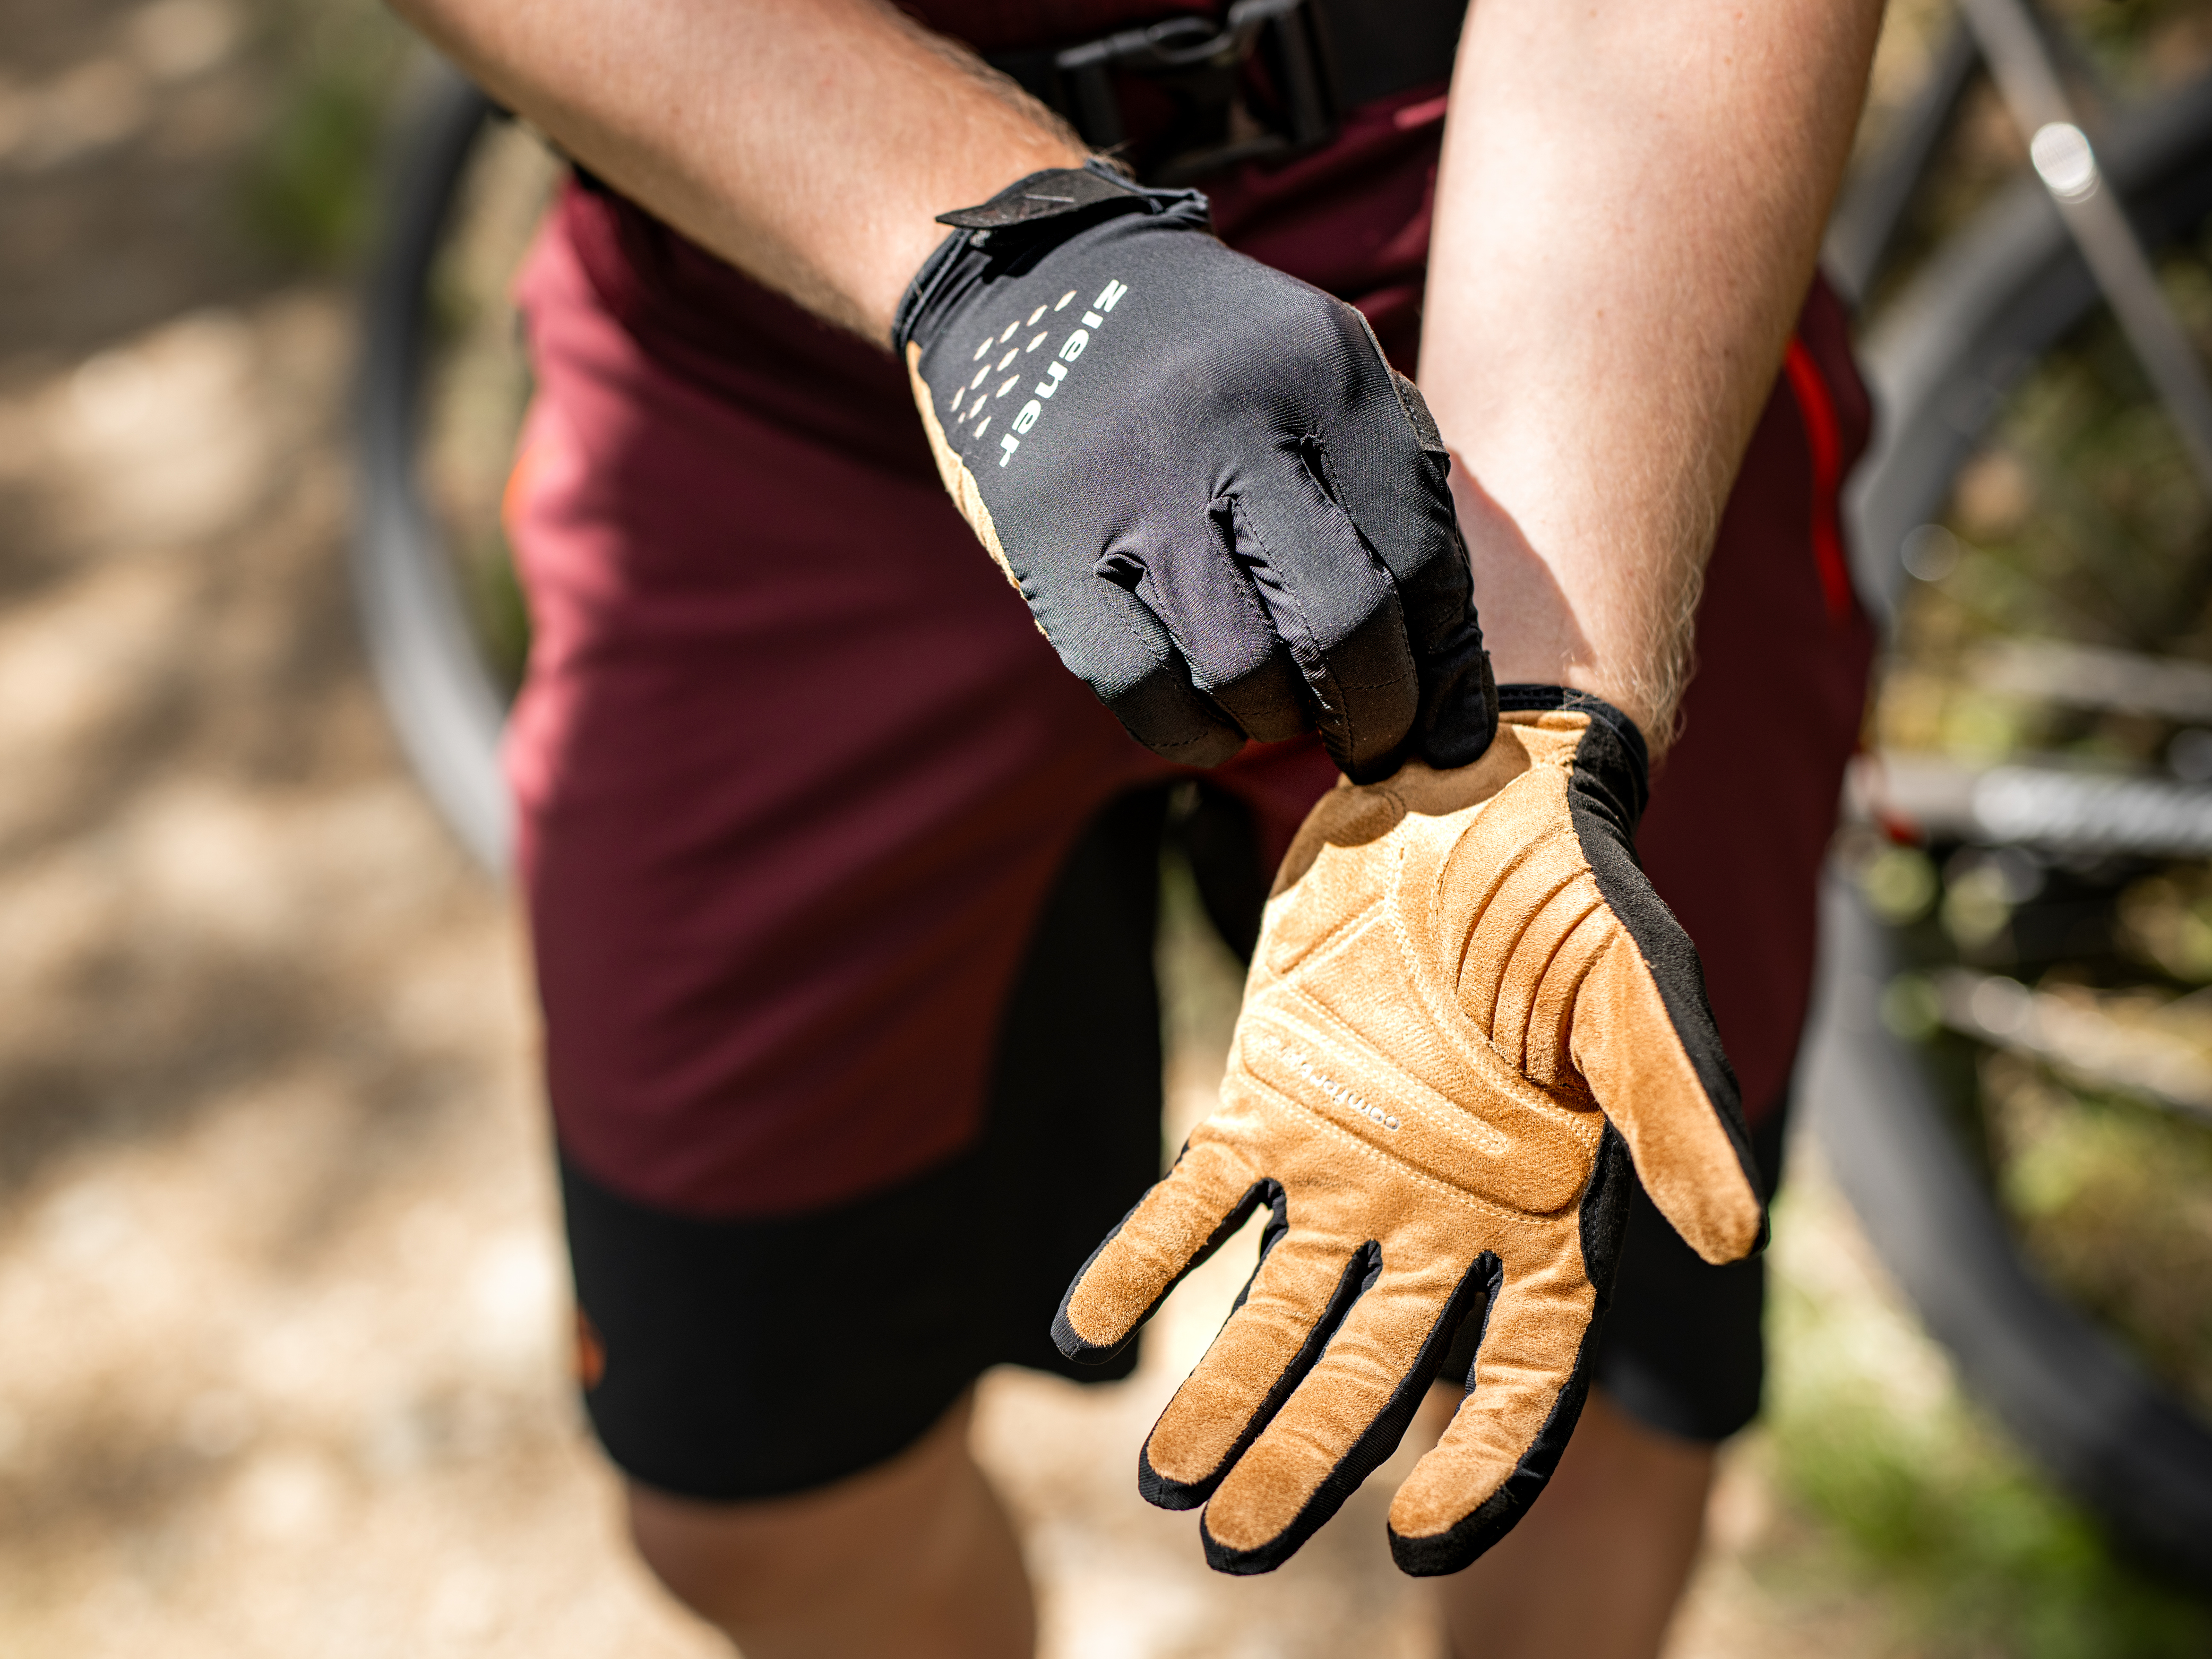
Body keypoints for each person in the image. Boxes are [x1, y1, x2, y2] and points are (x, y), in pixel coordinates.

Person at [383, 0, 1884, 1653]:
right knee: (760, 1491)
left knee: (1570, 1358)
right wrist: (1011, 266)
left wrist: (1521, 744)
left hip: (1525, 248)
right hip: (773, 287)